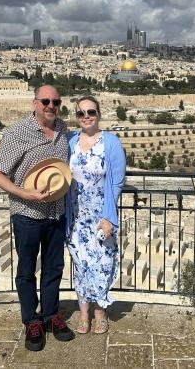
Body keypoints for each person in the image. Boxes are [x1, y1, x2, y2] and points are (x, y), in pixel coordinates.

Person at [0, 85, 75, 352]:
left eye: (56, 101)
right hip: (27, 215)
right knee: (26, 271)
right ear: (34, 103)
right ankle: (31, 321)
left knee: (54, 269)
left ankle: (50, 316)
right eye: (46, 101)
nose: (51, 105)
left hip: (56, 212)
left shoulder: (62, 131)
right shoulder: (16, 133)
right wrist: (24, 193)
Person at [66, 95, 126, 334]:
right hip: (76, 217)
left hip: (101, 216)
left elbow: (118, 182)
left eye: (91, 112)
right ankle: (83, 313)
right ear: (76, 117)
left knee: (103, 263)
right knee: (80, 265)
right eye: (81, 113)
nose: (86, 117)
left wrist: (109, 217)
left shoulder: (110, 142)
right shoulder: (70, 141)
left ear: (99, 114)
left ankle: (100, 311)